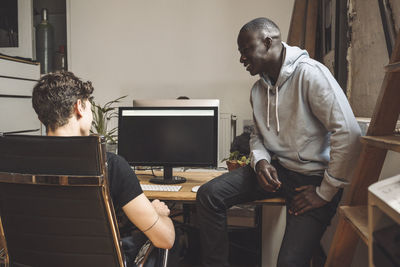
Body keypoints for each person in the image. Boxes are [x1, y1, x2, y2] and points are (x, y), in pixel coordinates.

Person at [196, 17, 361, 267]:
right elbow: (258, 136)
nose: (241, 58)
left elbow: (348, 132)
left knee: (289, 263)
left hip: (312, 180)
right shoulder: (257, 90)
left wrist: (325, 192)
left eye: (245, 50)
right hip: (278, 170)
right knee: (209, 195)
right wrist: (260, 162)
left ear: (268, 42)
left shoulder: (310, 74)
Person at [32, 71, 175, 266]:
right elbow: (165, 239)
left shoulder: (15, 164)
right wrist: (159, 213)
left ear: (41, 118)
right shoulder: (110, 165)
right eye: (89, 107)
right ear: (79, 107)